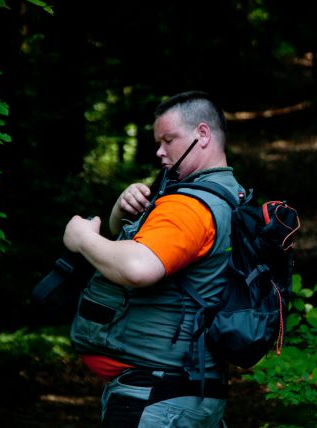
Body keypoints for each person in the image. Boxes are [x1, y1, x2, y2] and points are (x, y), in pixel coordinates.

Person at [62, 91, 243, 427]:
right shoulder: (231, 195)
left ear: (202, 134)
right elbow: (150, 250)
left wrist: (82, 238)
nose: (160, 151)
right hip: (188, 390)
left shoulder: (189, 205)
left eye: (168, 139)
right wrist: (120, 215)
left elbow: (137, 267)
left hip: (158, 399)